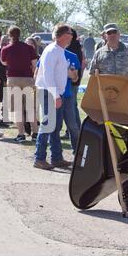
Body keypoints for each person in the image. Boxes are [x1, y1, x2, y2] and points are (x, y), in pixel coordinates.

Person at [34, 24, 73, 170]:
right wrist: (56, 95)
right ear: (63, 35)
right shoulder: (52, 51)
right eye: (70, 33)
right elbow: (48, 75)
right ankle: (39, 157)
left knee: (55, 126)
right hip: (49, 92)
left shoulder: (58, 50)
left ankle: (56, 157)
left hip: (53, 92)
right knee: (48, 125)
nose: (71, 36)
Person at [1, 26, 39, 142]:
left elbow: (3, 62)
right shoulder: (28, 48)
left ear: (9, 35)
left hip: (13, 79)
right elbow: (34, 64)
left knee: (18, 108)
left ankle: (21, 134)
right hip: (28, 78)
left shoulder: (6, 49)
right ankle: (35, 133)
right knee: (30, 107)